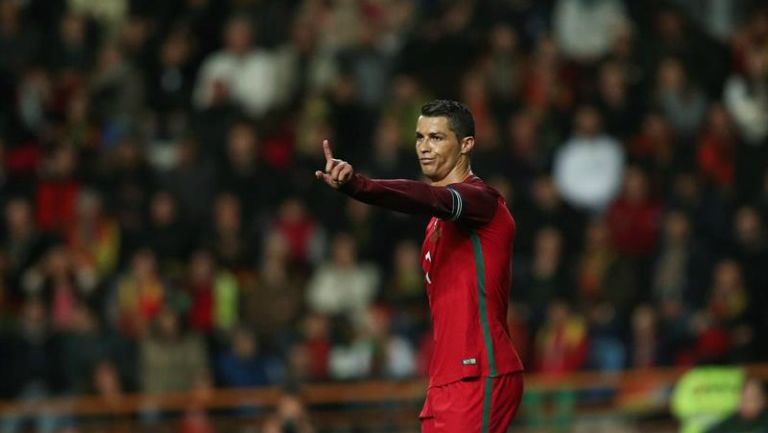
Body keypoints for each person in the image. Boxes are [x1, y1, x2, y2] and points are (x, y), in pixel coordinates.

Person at [315, 100, 524, 433]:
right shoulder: (434, 226)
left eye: (437, 138)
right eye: (420, 137)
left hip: (479, 369)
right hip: (444, 378)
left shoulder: (483, 201)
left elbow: (431, 197)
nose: (425, 148)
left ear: (466, 144)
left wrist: (359, 185)